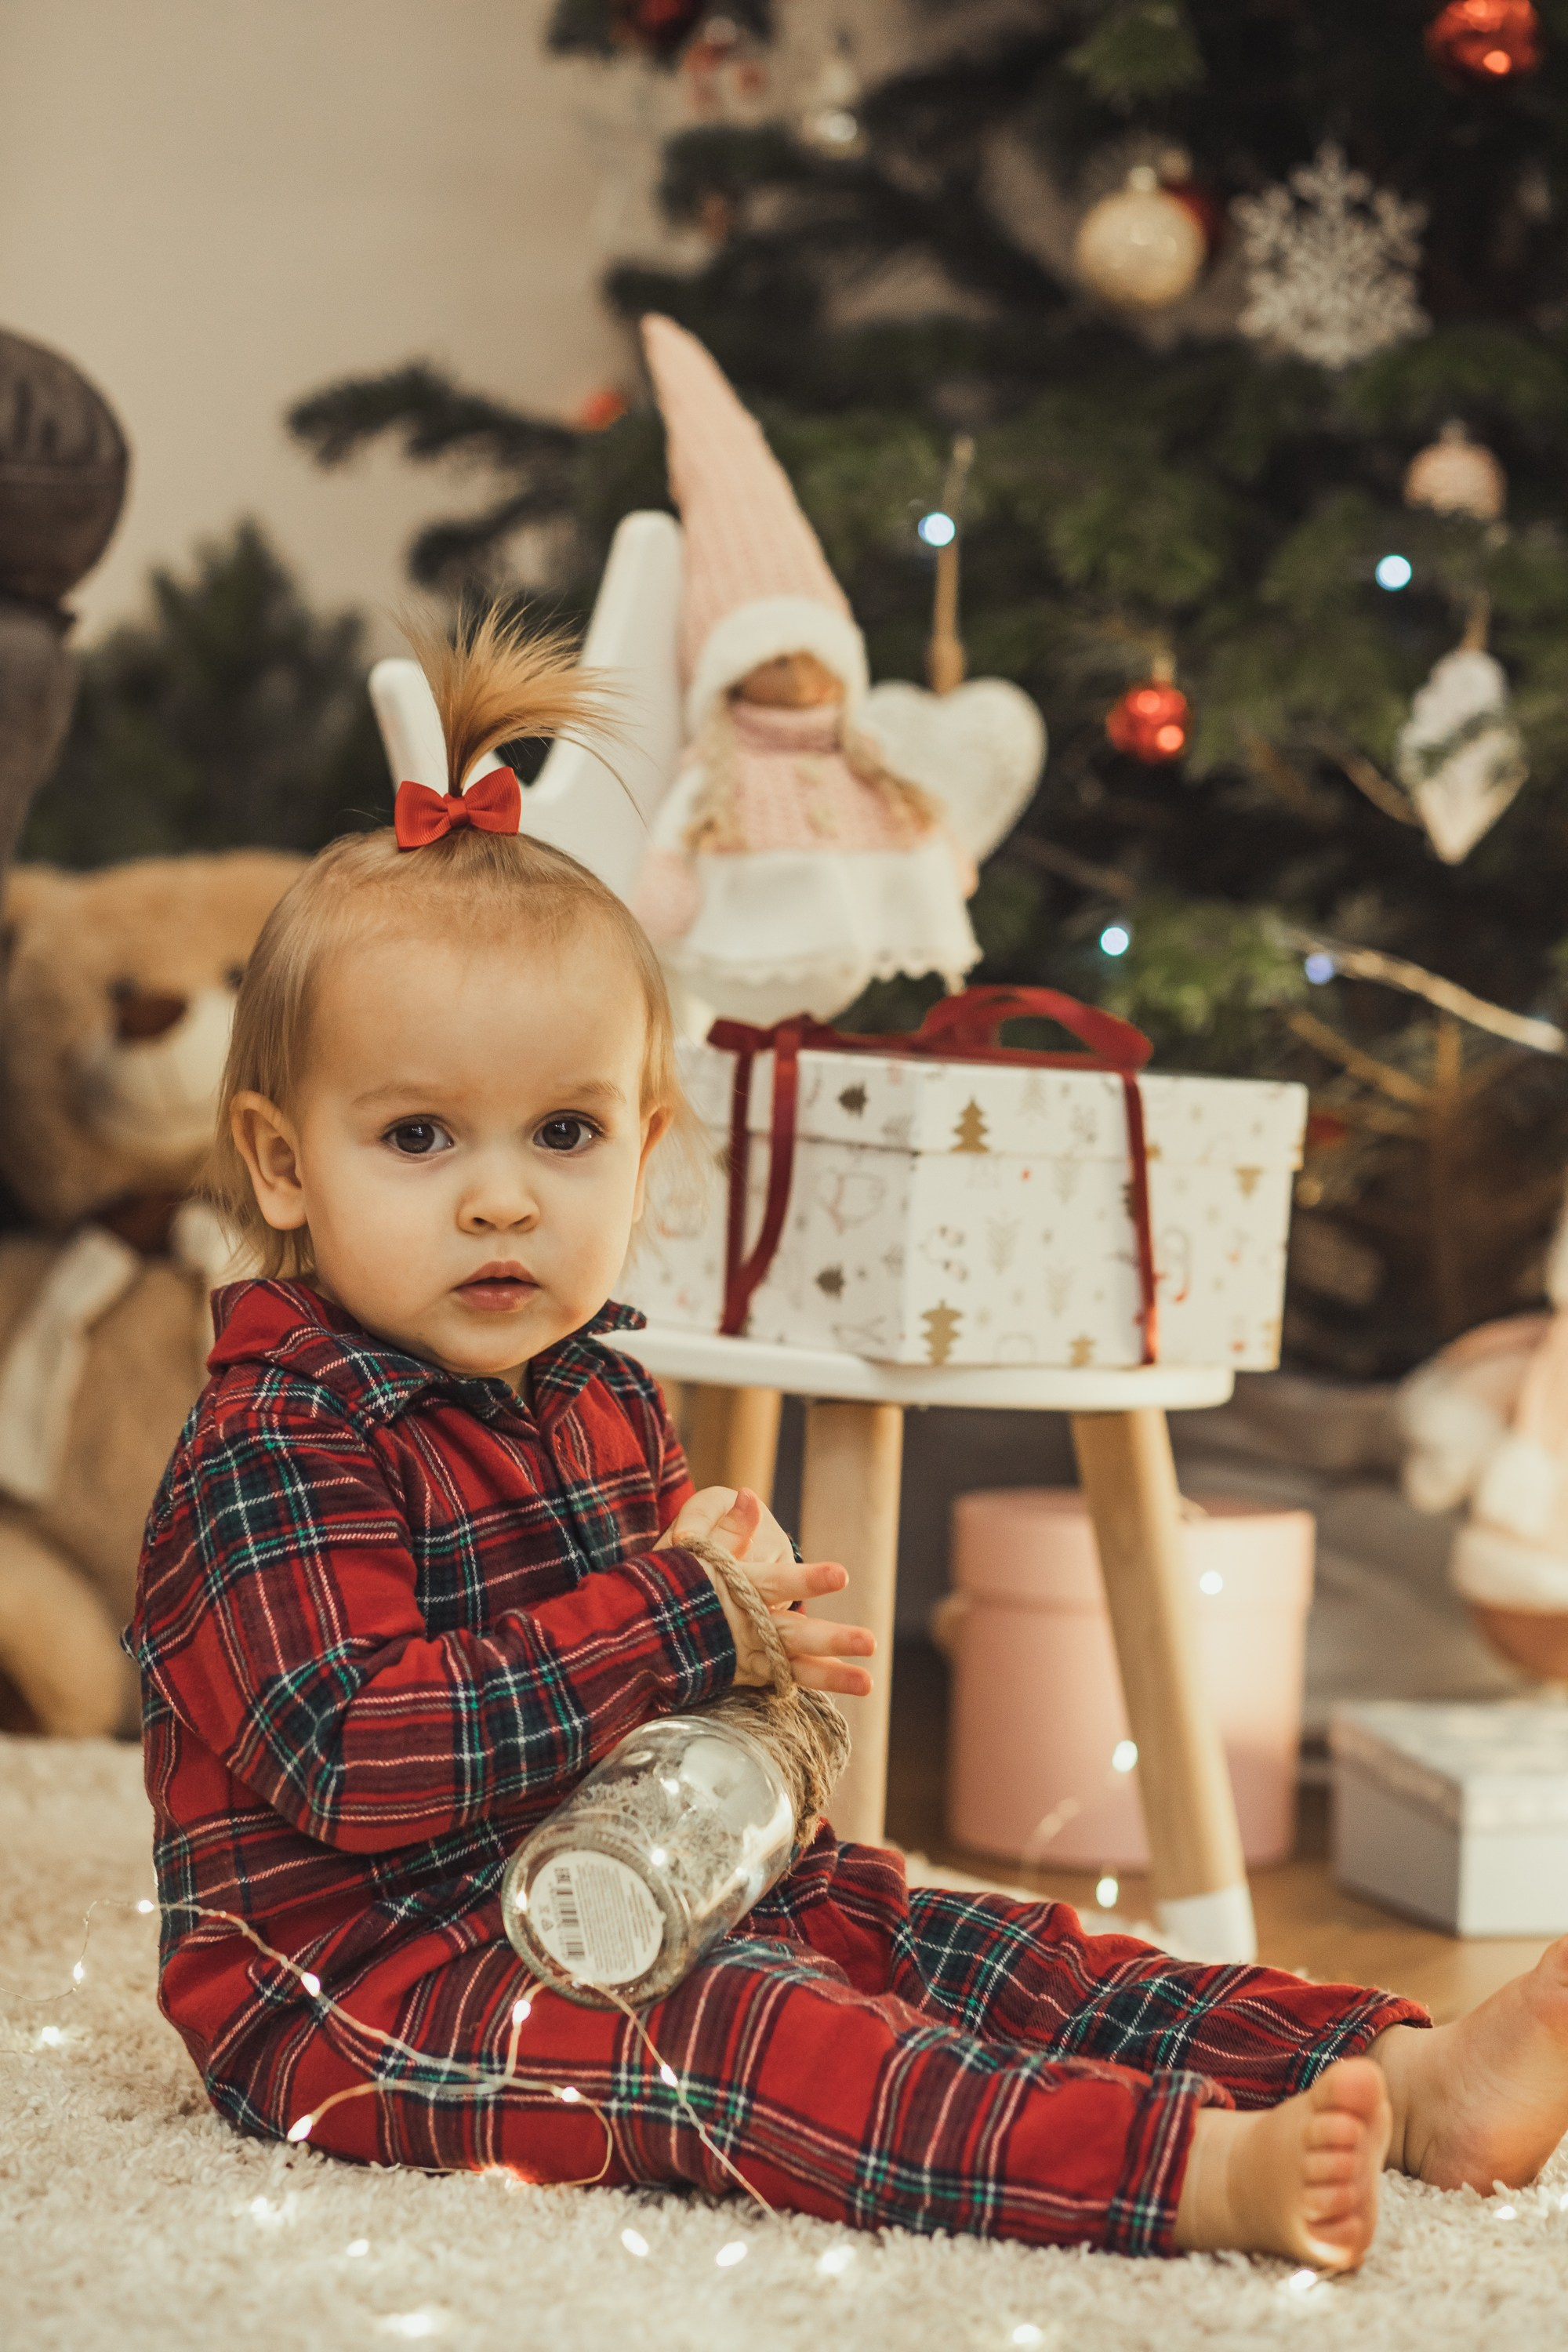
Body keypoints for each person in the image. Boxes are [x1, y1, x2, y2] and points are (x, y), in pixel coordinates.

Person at [129, 609, 1568, 2270]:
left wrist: (760, 1664)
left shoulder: (597, 1393)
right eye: (419, 1134)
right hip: (371, 1978)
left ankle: (1400, 2067)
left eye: (567, 1131)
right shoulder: (277, 1436)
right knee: (747, 2039)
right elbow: (355, 1754)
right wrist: (678, 1616)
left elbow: (660, 1680)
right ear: (284, 1162)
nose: (503, 1192)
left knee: (953, 1936)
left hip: (627, 1867)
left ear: (646, 1145)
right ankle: (1182, 2177)